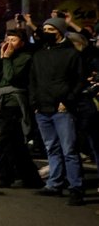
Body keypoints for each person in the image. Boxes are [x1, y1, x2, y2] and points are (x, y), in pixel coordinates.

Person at [30, 17, 86, 206]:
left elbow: (79, 81)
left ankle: (76, 188)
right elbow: (33, 81)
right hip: (42, 108)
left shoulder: (72, 54)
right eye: (44, 28)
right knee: (52, 148)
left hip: (62, 109)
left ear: (60, 31)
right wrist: (34, 103)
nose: (45, 32)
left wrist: (67, 100)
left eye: (50, 29)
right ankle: (54, 184)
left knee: (69, 150)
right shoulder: (39, 55)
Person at [0, 28, 43, 188]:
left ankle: (2, 176)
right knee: (16, 144)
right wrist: (2, 57)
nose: (9, 43)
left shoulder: (25, 58)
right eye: (7, 39)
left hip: (14, 103)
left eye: (13, 40)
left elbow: (11, 77)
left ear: (21, 43)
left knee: (5, 141)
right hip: (4, 102)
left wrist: (7, 59)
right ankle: (31, 178)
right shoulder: (4, 56)